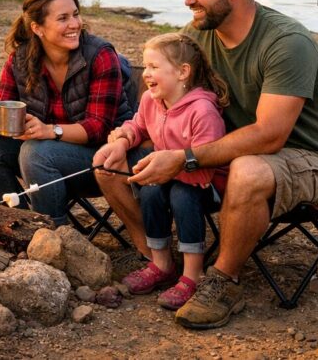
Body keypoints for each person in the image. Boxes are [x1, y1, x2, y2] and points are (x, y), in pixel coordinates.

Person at [97, 0, 318, 329]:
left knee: (249, 170)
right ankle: (161, 261)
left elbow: (270, 136)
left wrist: (184, 157)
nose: (188, 0)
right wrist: (123, 139)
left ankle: (223, 282)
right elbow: (163, 99)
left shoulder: (286, 42)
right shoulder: (197, 39)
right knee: (107, 164)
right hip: (232, 155)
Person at [0, 0, 135, 227]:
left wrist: (50, 130)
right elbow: (2, 100)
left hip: (102, 161)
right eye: (63, 18)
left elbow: (99, 128)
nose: (75, 24)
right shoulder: (21, 59)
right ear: (37, 28)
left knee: (35, 151)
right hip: (41, 160)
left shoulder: (100, 55)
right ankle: (13, 227)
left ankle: (53, 235)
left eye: (76, 14)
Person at [94, 33, 228, 310]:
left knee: (181, 193)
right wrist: (122, 140)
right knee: (152, 191)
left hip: (208, 185)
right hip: (170, 176)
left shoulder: (202, 110)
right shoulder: (150, 101)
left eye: (154, 67)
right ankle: (162, 264)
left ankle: (193, 274)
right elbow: (137, 126)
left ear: (182, 72)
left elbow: (206, 167)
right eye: (146, 66)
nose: (147, 74)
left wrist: (165, 171)